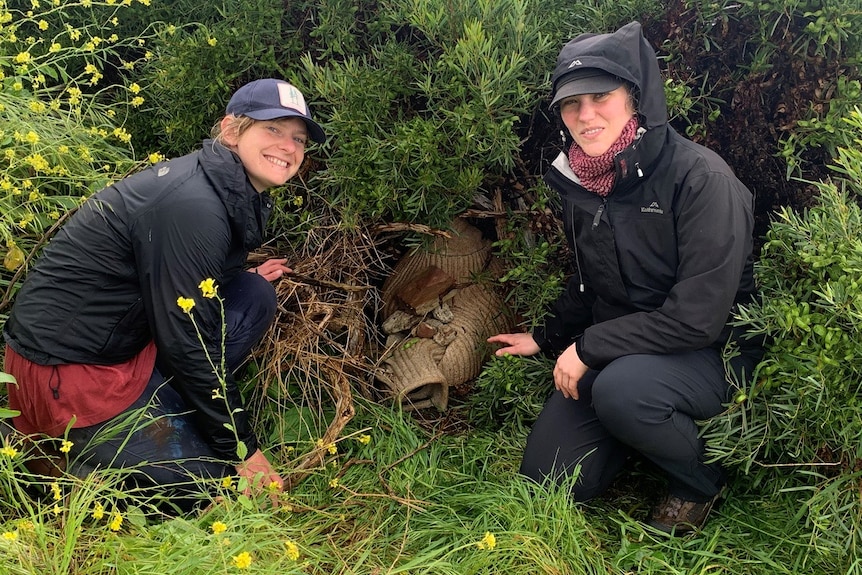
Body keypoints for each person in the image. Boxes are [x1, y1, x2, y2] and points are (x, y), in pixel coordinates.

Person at [488, 22, 762, 533]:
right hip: (626, 350)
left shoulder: (702, 180)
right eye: (572, 103)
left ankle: (701, 481)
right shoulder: (583, 177)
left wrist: (589, 348)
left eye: (600, 96)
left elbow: (697, 319)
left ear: (634, 98)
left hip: (710, 350)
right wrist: (546, 338)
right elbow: (592, 280)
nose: (585, 115)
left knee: (622, 392)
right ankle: (643, 435)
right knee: (547, 481)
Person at [3, 78, 325, 511]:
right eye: (272, 129)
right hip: (67, 376)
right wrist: (243, 450)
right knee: (209, 487)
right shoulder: (194, 205)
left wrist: (241, 274)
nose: (287, 147)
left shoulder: (219, 184)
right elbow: (187, 339)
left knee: (251, 293)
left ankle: (164, 409)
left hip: (119, 346)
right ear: (231, 131)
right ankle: (60, 464)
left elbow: (183, 280)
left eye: (298, 139)